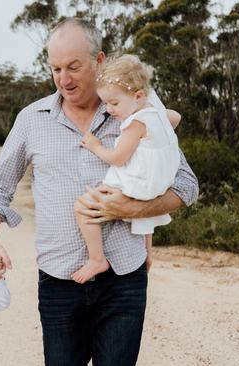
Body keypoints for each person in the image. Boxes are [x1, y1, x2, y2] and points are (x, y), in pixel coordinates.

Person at [0, 18, 199, 366]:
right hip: (59, 281)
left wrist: (133, 210)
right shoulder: (32, 120)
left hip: (124, 278)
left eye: (74, 67)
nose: (64, 79)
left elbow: (186, 184)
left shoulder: (139, 116)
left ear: (100, 60)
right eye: (56, 69)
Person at [71, 54, 182, 284]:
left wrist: (96, 146)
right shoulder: (158, 113)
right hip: (158, 183)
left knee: (82, 207)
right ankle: (147, 254)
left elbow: (118, 158)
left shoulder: (135, 123)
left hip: (137, 182)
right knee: (142, 216)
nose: (109, 109)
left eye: (114, 103)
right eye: (106, 103)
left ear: (138, 96)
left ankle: (97, 259)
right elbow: (176, 118)